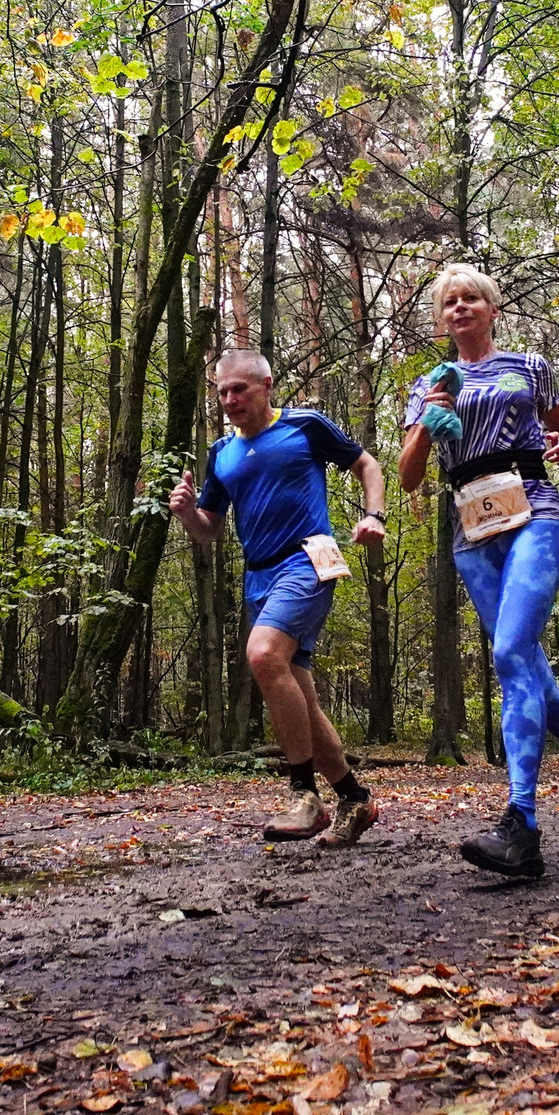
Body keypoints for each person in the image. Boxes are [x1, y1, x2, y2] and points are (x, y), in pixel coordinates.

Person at [398, 262, 559, 880]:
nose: (460, 307)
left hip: (535, 511)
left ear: (492, 310)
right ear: (442, 320)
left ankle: (521, 824)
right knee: (524, 661)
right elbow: (411, 476)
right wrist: (427, 422)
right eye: (449, 303)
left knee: (512, 649)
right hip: (472, 529)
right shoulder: (431, 382)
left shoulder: (530, 366)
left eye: (471, 299)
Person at [170, 349, 388, 846]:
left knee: (263, 655)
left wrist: (374, 516)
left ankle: (303, 795)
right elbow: (209, 530)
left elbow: (367, 464)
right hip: (260, 577)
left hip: (309, 559)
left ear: (266, 385)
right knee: (301, 702)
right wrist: (186, 513)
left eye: (239, 389)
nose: (229, 400)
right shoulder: (221, 453)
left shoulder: (305, 426)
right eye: (222, 392)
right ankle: (355, 798)